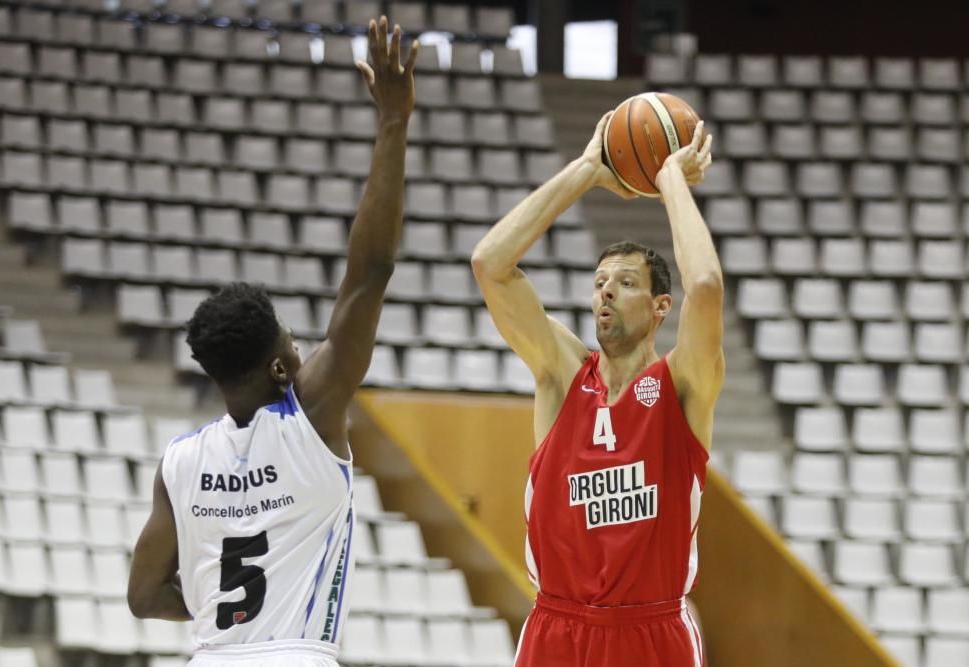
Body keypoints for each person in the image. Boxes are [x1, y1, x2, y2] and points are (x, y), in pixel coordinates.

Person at [126, 17, 418, 667]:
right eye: (292, 337)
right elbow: (371, 269)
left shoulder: (179, 463)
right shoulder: (310, 412)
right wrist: (393, 122)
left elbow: (143, 595)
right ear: (282, 365)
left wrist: (213, 613)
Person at [471, 113, 720, 667]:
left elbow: (704, 285)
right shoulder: (562, 376)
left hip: (651, 632)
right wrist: (587, 170)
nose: (606, 293)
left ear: (661, 308)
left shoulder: (681, 385)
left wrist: (670, 180)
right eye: (600, 283)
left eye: (626, 283)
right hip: (557, 628)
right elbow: (490, 263)